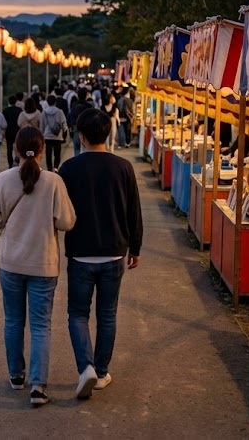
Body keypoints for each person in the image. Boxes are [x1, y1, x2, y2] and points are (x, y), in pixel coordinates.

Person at [0, 127, 76, 406]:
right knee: (40, 326)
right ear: (41, 151)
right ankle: (38, 386)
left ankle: (16, 376)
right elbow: (67, 222)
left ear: (15, 149)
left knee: (13, 320)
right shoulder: (53, 182)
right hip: (43, 264)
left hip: (11, 263)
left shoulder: (3, 179)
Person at [58, 109, 143, 400]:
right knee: (107, 315)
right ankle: (102, 371)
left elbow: (61, 213)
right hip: (114, 252)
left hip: (80, 253)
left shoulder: (68, 169)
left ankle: (86, 368)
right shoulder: (123, 167)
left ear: (80, 135)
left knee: (77, 314)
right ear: (108, 133)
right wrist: (136, 247)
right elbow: (134, 210)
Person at [42, 97, 67, 171]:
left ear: (47, 102)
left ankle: (49, 168)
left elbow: (42, 125)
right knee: (57, 153)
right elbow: (64, 124)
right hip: (57, 135)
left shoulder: (44, 112)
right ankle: (56, 167)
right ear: (55, 102)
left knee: (48, 154)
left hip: (47, 135)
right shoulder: (60, 111)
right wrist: (64, 133)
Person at [67, 87, 93, 157]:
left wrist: (70, 128)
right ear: (86, 95)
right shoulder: (89, 106)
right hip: (86, 128)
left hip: (75, 128)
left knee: (76, 148)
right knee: (86, 147)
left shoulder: (74, 105)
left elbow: (70, 117)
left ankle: (77, 162)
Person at [2, 93, 23, 169]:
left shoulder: (5, 110)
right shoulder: (19, 110)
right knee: (18, 147)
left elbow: (4, 122)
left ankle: (10, 164)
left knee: (9, 148)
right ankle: (17, 160)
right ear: (16, 101)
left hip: (8, 131)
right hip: (17, 131)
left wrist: (3, 133)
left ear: (9, 101)